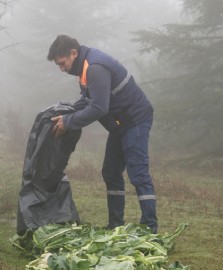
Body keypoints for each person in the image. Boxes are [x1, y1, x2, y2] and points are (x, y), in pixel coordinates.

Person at [47, 34, 158, 232]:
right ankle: (115, 225)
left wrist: (69, 122)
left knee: (138, 173)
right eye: (58, 65)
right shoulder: (84, 69)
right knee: (111, 172)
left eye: (62, 63)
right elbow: (88, 99)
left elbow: (99, 108)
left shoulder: (95, 68)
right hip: (119, 124)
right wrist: (67, 111)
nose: (61, 69)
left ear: (73, 53)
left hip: (135, 120)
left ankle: (150, 228)